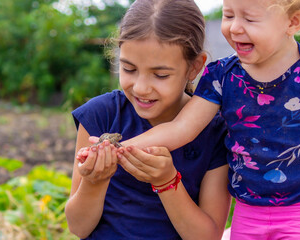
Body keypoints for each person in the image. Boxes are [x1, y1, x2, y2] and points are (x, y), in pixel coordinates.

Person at [121, 0, 300, 239]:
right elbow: (181, 128)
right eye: (228, 15)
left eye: (249, 19)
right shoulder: (221, 75)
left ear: (293, 22)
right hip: (247, 212)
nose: (234, 28)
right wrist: (120, 148)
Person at [65, 0, 231, 239]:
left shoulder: (215, 131)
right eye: (129, 69)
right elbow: (78, 227)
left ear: (195, 67)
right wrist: (95, 181)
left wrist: (167, 182)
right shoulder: (100, 115)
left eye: (160, 75)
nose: (141, 88)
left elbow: (207, 236)